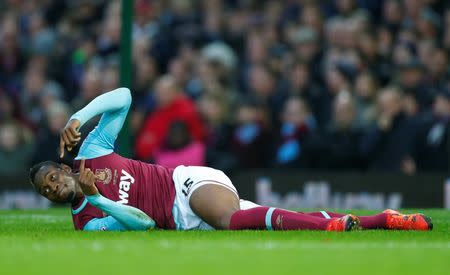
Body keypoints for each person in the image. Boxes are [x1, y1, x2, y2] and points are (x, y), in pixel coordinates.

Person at [29, 88, 432, 232]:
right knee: (289, 223)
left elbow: (124, 96)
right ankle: (385, 219)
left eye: (51, 177)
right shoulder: (87, 223)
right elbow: (145, 223)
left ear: (63, 168)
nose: (53, 187)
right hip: (183, 223)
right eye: (47, 191)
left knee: (229, 221)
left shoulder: (92, 152)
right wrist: (97, 198)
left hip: (184, 185)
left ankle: (335, 230)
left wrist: (77, 117)